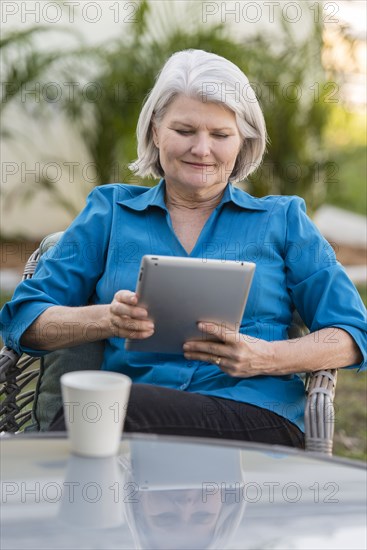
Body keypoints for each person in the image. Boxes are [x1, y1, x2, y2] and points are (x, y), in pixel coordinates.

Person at [1, 49, 366, 448]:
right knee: (104, 412)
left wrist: (266, 356)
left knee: (105, 412)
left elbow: (352, 333)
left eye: (221, 135)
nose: (202, 149)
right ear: (156, 131)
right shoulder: (109, 213)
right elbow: (25, 321)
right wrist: (108, 319)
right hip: (131, 428)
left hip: (253, 419)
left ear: (243, 141)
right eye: (185, 130)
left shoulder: (283, 221)